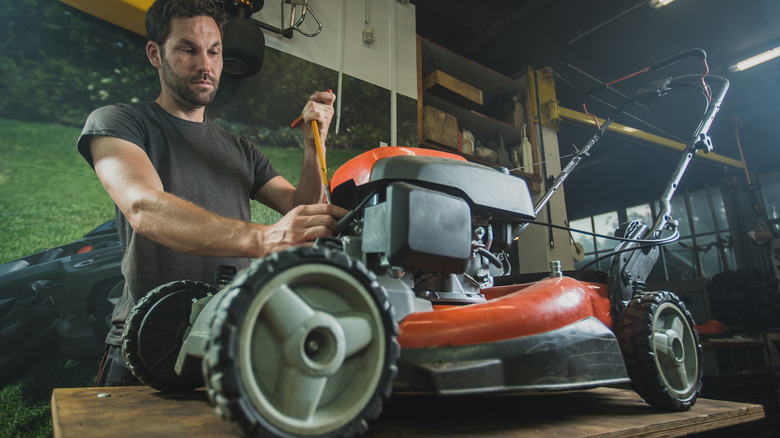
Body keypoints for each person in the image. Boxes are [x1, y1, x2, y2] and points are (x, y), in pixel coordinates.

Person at [78, 0, 347, 386]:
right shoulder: (119, 122)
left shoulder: (240, 149)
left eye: (214, 51)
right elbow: (142, 206)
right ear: (156, 54)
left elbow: (299, 208)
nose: (206, 65)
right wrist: (263, 237)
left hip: (227, 341)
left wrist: (312, 145)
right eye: (188, 49)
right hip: (147, 343)